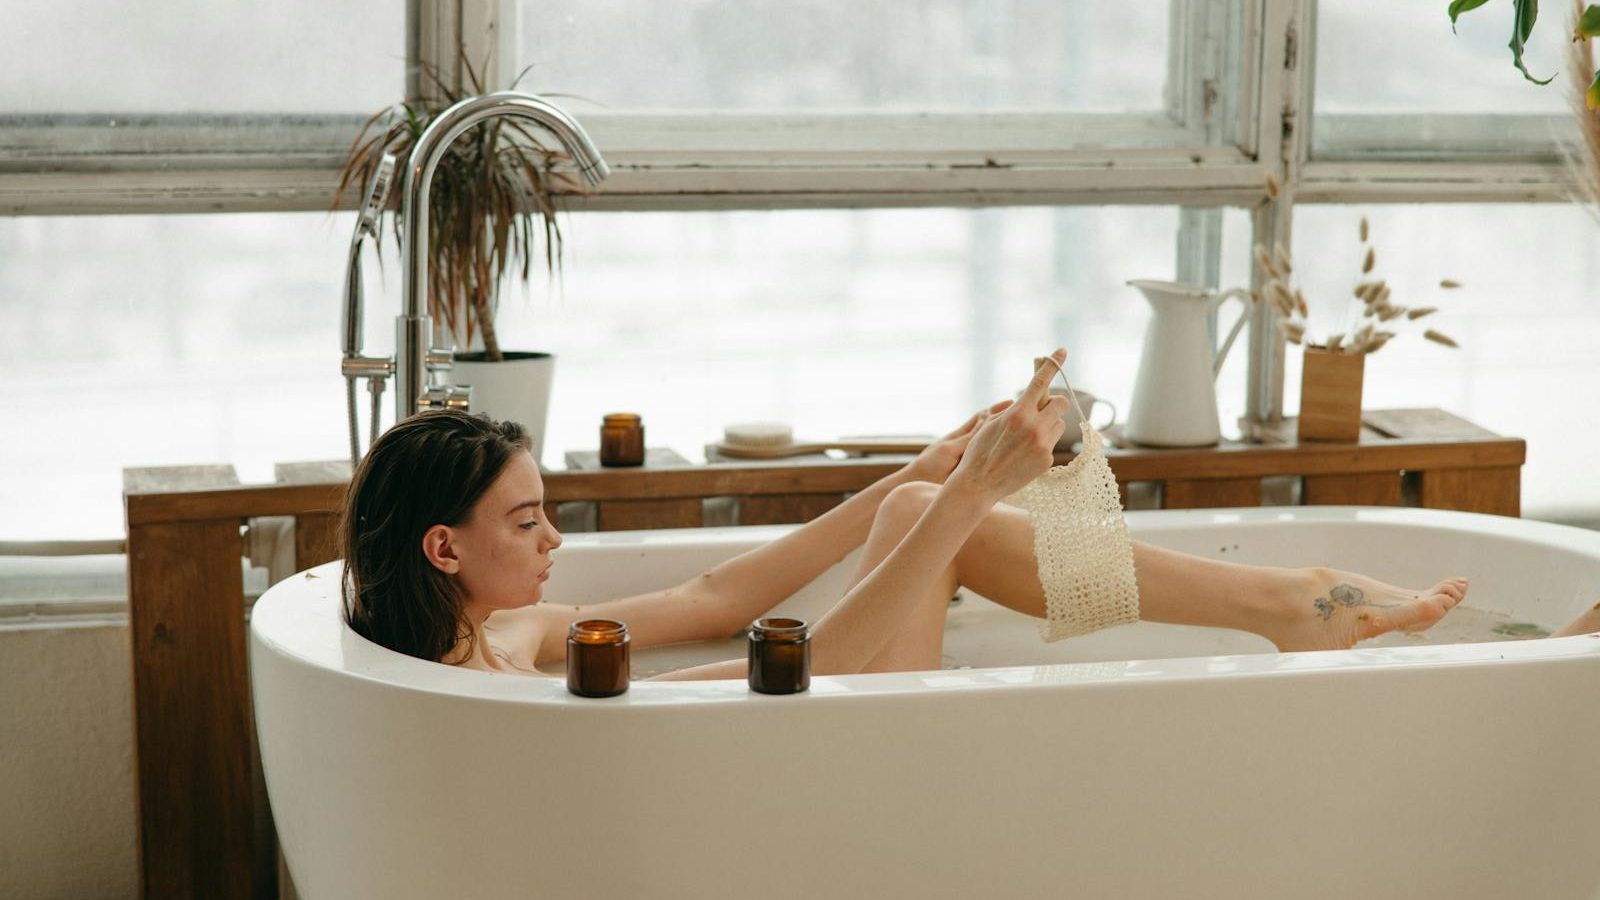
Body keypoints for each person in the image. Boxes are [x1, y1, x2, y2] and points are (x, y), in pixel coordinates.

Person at [344, 348, 1482, 680]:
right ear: (443, 547)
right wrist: (974, 487)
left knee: (923, 510)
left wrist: (918, 473)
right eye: (529, 522)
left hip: (825, 741)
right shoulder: (495, 679)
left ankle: (1284, 605)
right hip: (820, 788)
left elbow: (711, 598)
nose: (555, 544)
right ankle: (1283, 604)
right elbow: (790, 672)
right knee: (945, 509)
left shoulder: (511, 634)